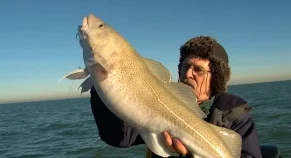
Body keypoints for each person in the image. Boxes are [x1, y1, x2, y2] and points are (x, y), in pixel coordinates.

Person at [90, 35, 263, 158]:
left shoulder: (236, 116)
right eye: (185, 66)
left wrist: (192, 154)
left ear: (216, 77)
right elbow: (121, 138)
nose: (188, 73)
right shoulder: (158, 101)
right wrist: (104, 86)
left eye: (199, 70)